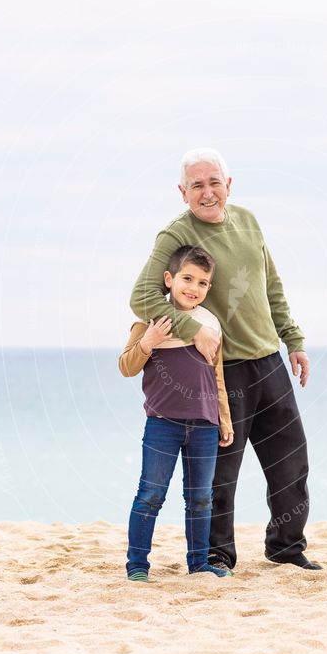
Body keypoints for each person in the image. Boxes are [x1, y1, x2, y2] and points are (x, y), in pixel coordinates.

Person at [130, 147, 322, 571]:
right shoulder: (174, 235)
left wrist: (293, 339)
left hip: (268, 359)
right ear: (183, 192)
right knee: (222, 474)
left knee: (291, 461)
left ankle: (286, 548)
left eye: (214, 181)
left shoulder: (249, 221)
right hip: (219, 369)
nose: (207, 191)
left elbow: (271, 286)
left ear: (228, 185)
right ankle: (218, 555)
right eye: (197, 185)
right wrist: (191, 330)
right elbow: (142, 297)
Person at [120, 244, 234, 582]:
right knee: (150, 494)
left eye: (202, 283)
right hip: (162, 424)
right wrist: (149, 341)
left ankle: (199, 563)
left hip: (204, 426)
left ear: (208, 288)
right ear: (169, 279)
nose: (193, 288)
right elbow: (127, 366)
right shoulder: (148, 322)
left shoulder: (210, 325)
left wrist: (223, 419)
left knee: (200, 498)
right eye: (187, 278)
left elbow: (218, 377)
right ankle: (137, 565)